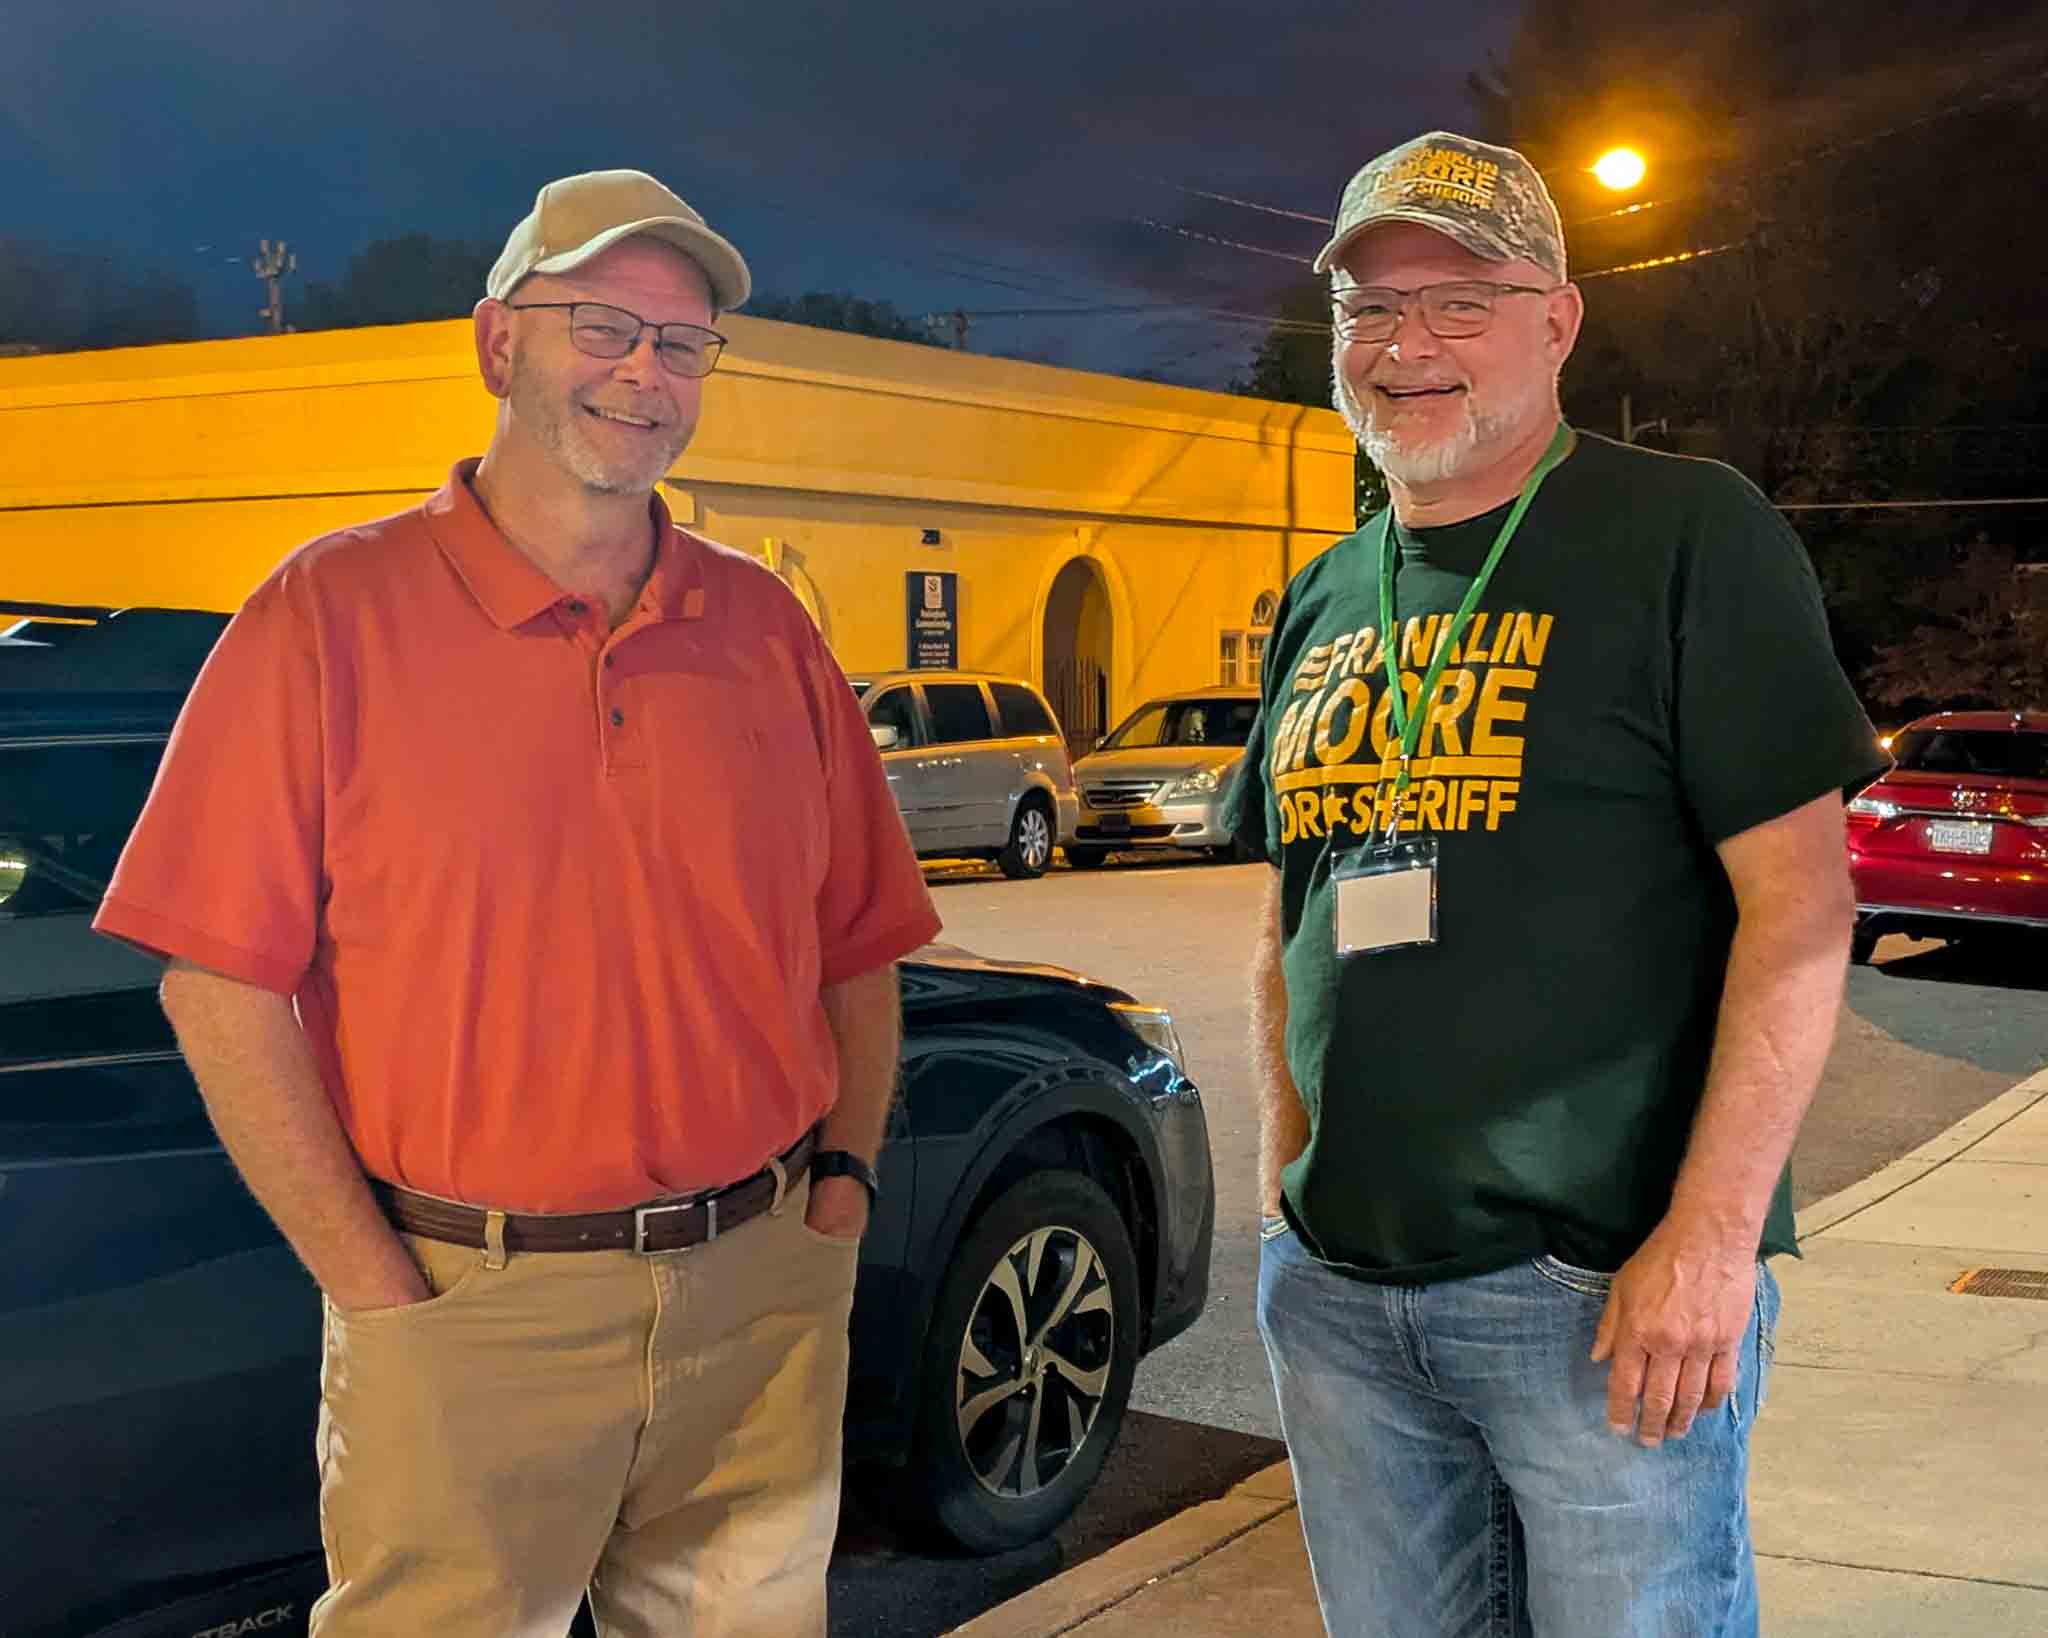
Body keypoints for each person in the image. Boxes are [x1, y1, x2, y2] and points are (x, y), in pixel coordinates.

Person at [94, 168, 942, 1638]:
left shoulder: (765, 630)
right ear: (500, 344)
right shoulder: (327, 617)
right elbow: (213, 980)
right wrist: (377, 1289)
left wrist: (840, 1193)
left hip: (760, 1294)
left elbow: (857, 943)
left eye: (682, 345)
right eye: (600, 325)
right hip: (467, 1304)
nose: (643, 372)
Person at [1224, 131, 1887, 1636]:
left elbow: (1802, 908)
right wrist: (1283, 1199)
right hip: (1341, 1298)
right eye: (1369, 309)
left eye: (1461, 302)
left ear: (1558, 321)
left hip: (1595, 1294)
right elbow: (1292, 919)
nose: (1407, 346)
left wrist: (1713, 1240)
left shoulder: (1684, 533)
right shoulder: (1328, 590)